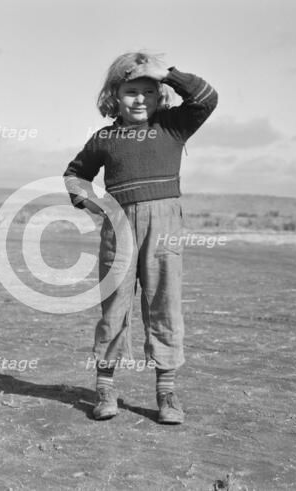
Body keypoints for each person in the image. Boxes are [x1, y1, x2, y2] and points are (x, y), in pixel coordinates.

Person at [63, 52, 218, 424]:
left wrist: (168, 73)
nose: (140, 99)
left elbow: (206, 98)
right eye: (131, 91)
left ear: (160, 93)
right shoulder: (105, 138)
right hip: (119, 230)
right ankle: (105, 389)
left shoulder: (174, 127)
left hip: (164, 229)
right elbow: (74, 175)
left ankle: (166, 394)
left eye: (149, 90)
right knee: (114, 307)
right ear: (115, 94)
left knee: (164, 306)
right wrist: (96, 203)